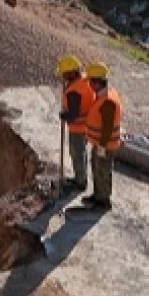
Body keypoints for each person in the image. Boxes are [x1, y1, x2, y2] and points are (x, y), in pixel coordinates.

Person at [83, 62, 122, 210]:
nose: (89, 85)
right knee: (96, 169)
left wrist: (102, 146)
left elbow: (107, 127)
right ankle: (97, 195)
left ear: (97, 82)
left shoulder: (108, 102)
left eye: (90, 82)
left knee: (103, 171)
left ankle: (104, 201)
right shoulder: (102, 95)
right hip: (99, 143)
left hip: (105, 144)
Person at [56, 55, 96, 193]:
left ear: (72, 73)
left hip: (78, 128)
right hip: (87, 126)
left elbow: (73, 114)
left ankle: (80, 182)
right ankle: (81, 177)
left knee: (77, 154)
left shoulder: (74, 91)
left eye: (65, 74)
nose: (63, 77)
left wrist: (63, 115)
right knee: (82, 153)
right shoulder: (84, 80)